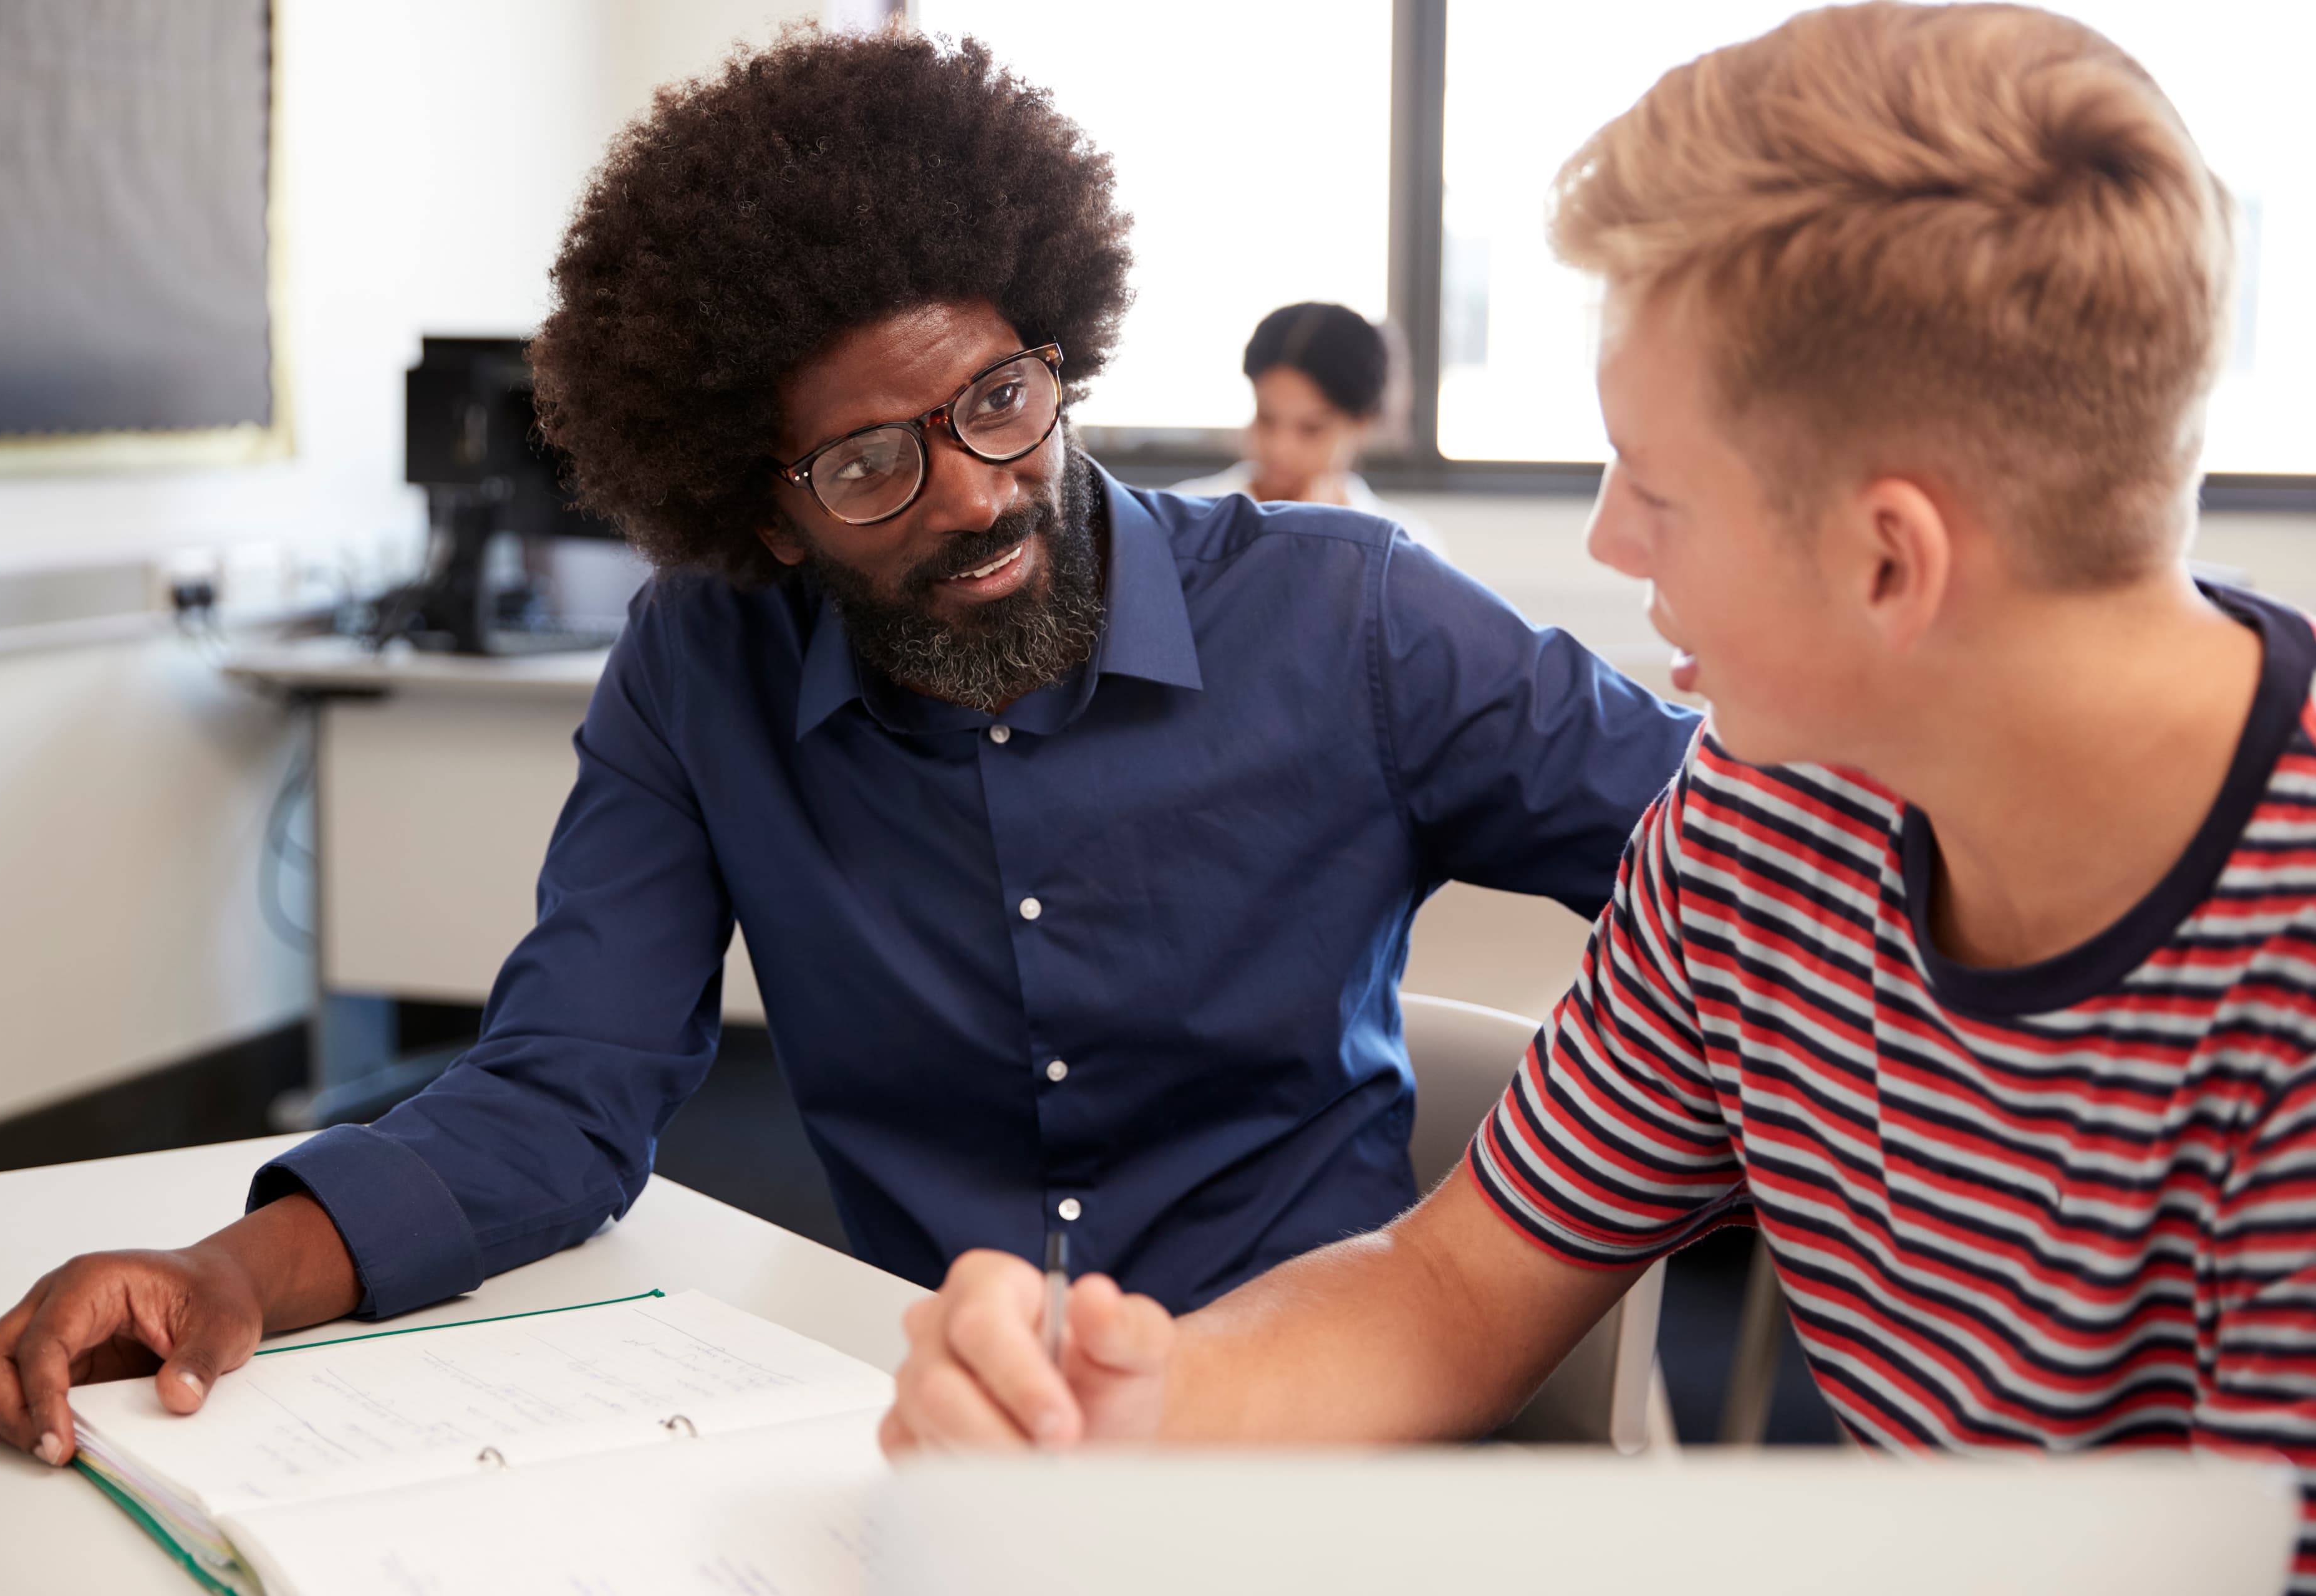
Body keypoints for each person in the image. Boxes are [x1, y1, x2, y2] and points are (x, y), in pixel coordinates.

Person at [0, 27, 1698, 1470]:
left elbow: (1738, 862)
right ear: (764, 517)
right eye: (871, 467)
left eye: (999, 400)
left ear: (1059, 347)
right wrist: (226, 1268)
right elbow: (568, 1089)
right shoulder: (703, 663)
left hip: (1328, 1439)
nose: (979, 495)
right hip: (942, 1441)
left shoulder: (1354, 618)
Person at [887, 2, 2316, 1581]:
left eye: (1653, 481)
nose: (1607, 544)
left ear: (1885, 559)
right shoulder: (1765, 813)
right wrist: (1140, 1410)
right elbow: (1457, 1287)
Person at [1169, 303, 1443, 551]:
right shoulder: (1185, 516)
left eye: (1311, 429)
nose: (1280, 448)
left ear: (1361, 426)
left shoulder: (1406, 544)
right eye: (1266, 419)